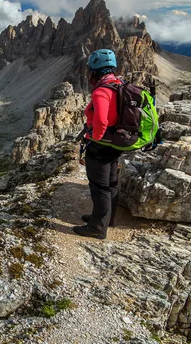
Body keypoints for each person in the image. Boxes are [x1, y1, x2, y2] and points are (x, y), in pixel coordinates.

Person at [73, 49, 123, 240]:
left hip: (102, 143)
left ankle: (97, 228)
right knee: (111, 182)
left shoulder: (102, 91)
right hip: (116, 141)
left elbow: (101, 120)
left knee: (99, 186)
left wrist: (95, 138)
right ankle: (106, 218)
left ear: (94, 70)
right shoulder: (118, 85)